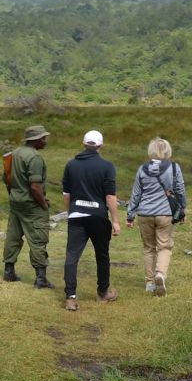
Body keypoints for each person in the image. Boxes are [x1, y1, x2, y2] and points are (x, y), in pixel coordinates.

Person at [61, 130, 120, 311]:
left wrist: (69, 212)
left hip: (77, 216)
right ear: (100, 146)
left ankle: (70, 297)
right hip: (98, 217)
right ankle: (103, 292)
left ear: (83, 143)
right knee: (102, 255)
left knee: (72, 256)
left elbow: (66, 194)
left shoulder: (71, 165)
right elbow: (110, 197)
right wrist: (115, 220)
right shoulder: (107, 166)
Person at [126, 137, 186, 296]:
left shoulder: (142, 169)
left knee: (148, 248)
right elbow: (180, 190)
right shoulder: (174, 167)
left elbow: (136, 194)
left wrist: (130, 216)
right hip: (165, 214)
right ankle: (160, 274)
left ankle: (150, 283)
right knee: (164, 246)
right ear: (167, 151)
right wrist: (182, 210)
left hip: (144, 214)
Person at [3, 125, 54, 289]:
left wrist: (13, 194)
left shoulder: (14, 153)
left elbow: (7, 178)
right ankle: (41, 279)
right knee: (38, 239)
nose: (45, 141)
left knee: (13, 236)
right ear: (37, 140)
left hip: (16, 202)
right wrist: (44, 204)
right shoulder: (35, 157)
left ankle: (8, 272)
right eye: (43, 138)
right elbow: (35, 186)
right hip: (31, 205)